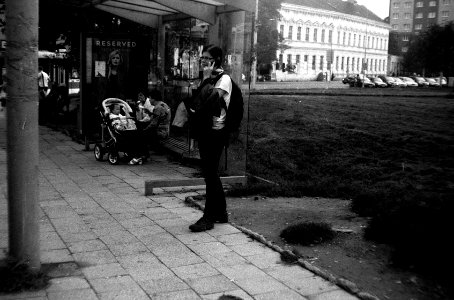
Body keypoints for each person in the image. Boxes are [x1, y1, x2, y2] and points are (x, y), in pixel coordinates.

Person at [187, 45, 232, 232]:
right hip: (206, 131)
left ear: (217, 60)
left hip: (216, 132)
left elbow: (207, 104)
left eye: (207, 58)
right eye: (202, 57)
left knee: (210, 175)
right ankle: (220, 212)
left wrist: (205, 80)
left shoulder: (224, 80)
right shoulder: (209, 79)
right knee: (210, 173)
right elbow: (195, 103)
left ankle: (208, 217)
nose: (203, 61)